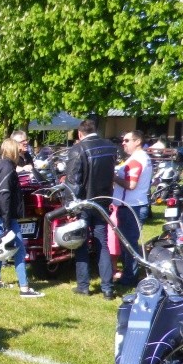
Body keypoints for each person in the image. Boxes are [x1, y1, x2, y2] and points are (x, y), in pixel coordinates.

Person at [64, 119, 119, 299]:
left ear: (80, 134)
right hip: (102, 201)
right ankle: (108, 288)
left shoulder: (78, 149)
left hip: (84, 203)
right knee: (102, 243)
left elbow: (73, 182)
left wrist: (70, 208)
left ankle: (83, 286)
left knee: (81, 243)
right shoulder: (110, 147)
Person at [0, 138, 44, 298]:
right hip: (5, 214)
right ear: (12, 151)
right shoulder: (8, 167)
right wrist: (8, 222)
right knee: (19, 249)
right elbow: (4, 194)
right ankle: (24, 288)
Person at [113, 130, 153, 287]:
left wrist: (114, 177)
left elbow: (131, 185)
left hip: (131, 207)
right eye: (123, 140)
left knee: (129, 244)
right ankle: (129, 275)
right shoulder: (143, 158)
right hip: (136, 204)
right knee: (129, 243)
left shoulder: (136, 160)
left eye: (127, 140)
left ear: (138, 141)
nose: (123, 143)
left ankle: (129, 278)